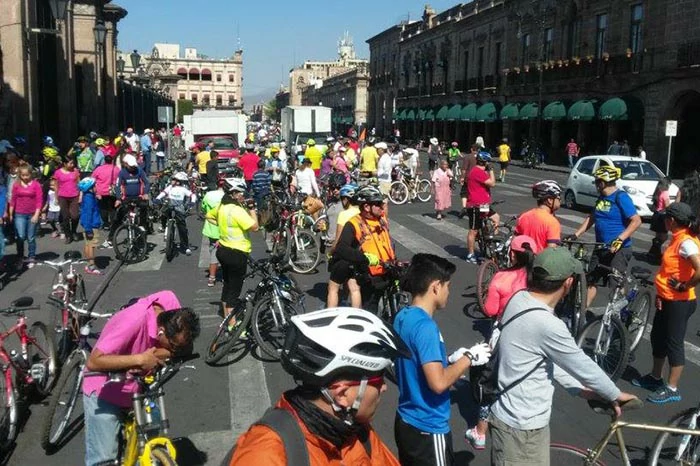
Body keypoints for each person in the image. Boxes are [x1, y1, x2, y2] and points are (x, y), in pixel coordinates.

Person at [489, 247, 638, 465]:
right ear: (568, 283)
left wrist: (581, 391)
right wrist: (614, 393)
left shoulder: (519, 299)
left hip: (517, 421)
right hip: (521, 427)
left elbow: (545, 361)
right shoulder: (548, 325)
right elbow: (581, 364)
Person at [227, 307, 408, 465]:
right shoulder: (266, 455)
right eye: (378, 380)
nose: (384, 387)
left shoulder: (354, 431)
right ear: (342, 393)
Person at [394, 253, 491, 466]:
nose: (449, 291)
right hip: (428, 427)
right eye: (448, 286)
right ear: (436, 287)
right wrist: (468, 358)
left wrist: (448, 359)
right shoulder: (426, 327)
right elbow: (438, 383)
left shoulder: (403, 316)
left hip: (405, 420)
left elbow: (417, 363)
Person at [82, 291, 200, 466]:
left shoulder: (172, 309)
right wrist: (140, 359)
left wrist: (168, 352)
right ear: (161, 332)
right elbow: (94, 361)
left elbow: (184, 348)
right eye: (173, 347)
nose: (174, 352)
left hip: (141, 386)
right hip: (105, 387)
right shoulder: (134, 319)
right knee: (103, 458)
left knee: (153, 440)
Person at [466, 236, 537, 449]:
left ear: (512, 254)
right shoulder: (538, 279)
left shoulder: (501, 277)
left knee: (490, 380)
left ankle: (480, 431)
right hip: (534, 335)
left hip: (505, 333)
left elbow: (489, 310)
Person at [633, 202, 700, 404]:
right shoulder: (677, 239)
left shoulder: (686, 242)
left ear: (672, 221)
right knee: (658, 337)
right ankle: (655, 378)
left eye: (665, 218)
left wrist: (683, 286)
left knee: (674, 344)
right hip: (668, 299)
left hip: (680, 302)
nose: (663, 221)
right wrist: (661, 295)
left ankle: (672, 389)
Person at [566, 165, 642, 305]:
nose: (595, 184)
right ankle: (581, 314)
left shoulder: (621, 197)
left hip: (619, 249)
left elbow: (636, 221)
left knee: (616, 285)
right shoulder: (601, 198)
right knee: (591, 281)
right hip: (601, 247)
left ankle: (616, 318)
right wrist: (576, 235)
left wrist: (620, 239)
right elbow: (592, 218)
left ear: (602, 182)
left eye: (596, 181)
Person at [333, 186, 395, 308]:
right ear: (367, 207)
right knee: (370, 311)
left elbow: (387, 243)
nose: (382, 207)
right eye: (378, 204)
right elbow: (341, 248)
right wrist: (364, 257)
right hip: (370, 277)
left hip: (388, 271)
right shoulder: (354, 223)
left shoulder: (381, 220)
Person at [206, 178, 259, 318]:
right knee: (234, 290)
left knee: (227, 285)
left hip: (223, 250)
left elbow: (208, 216)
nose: (243, 195)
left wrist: (222, 225)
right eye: (241, 192)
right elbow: (255, 227)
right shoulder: (236, 210)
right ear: (234, 193)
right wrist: (252, 209)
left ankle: (225, 315)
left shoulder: (222, 206)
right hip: (237, 253)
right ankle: (231, 324)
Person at [327, 183, 361, 307]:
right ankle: (357, 315)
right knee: (354, 287)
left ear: (346, 199)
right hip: (357, 254)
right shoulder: (360, 213)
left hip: (343, 256)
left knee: (333, 288)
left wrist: (331, 252)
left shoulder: (344, 215)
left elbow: (338, 240)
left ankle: (331, 315)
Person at [108, 154, 150, 246]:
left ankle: (143, 228)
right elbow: (118, 186)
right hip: (126, 198)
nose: (132, 168)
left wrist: (146, 193)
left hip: (138, 197)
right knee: (118, 216)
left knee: (144, 209)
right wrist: (118, 198)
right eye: (130, 166)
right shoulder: (122, 173)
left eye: (133, 166)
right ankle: (111, 238)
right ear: (125, 164)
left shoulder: (139, 170)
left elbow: (147, 182)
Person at [464, 151, 498, 264]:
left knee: (495, 217)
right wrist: (491, 170)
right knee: (473, 230)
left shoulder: (480, 171)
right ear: (485, 162)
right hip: (475, 205)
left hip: (483, 204)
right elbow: (492, 183)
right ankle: (470, 254)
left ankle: (491, 241)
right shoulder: (477, 172)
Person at [9, 165, 42, 269]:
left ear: (31, 174)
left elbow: (39, 201)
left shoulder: (36, 185)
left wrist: (37, 214)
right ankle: (20, 257)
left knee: (31, 237)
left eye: (27, 175)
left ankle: (32, 256)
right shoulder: (16, 185)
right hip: (19, 213)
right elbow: (13, 200)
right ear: (20, 175)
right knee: (20, 236)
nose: (25, 177)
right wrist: (10, 214)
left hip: (32, 213)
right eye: (23, 175)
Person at [515, 180, 563, 251]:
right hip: (540, 261)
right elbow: (551, 254)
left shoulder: (524, 216)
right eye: (558, 197)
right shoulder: (553, 223)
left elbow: (516, 243)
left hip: (523, 261)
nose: (560, 201)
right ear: (550, 200)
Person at [155, 171, 196, 255]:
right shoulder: (170, 187)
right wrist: (158, 198)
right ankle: (163, 226)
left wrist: (192, 202)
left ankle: (185, 246)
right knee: (163, 213)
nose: (172, 181)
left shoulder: (183, 189)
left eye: (174, 179)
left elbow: (193, 195)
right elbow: (163, 193)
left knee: (182, 227)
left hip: (179, 208)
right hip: (169, 206)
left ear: (178, 181)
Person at [201, 179, 225, 287]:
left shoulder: (209, 195)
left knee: (213, 253)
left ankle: (211, 278)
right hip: (224, 229)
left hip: (211, 228)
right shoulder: (227, 197)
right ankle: (226, 275)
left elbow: (203, 208)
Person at [78, 177, 104, 275]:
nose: (96, 187)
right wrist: (89, 229)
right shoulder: (89, 199)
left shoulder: (88, 196)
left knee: (87, 244)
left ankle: (89, 263)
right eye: (94, 186)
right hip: (92, 225)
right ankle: (91, 265)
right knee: (92, 245)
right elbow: (88, 214)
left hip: (88, 224)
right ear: (90, 188)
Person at [54, 155, 81, 244]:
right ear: (65, 164)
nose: (72, 165)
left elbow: (79, 183)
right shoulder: (58, 173)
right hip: (63, 196)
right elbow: (56, 186)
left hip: (74, 196)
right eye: (70, 163)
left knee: (75, 216)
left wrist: (80, 195)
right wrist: (56, 198)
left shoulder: (75, 171)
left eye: (73, 163)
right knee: (65, 217)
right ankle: (68, 235)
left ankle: (74, 231)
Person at [648, 177, 673, 264]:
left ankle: (653, 252)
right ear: (667, 184)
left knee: (658, 236)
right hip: (662, 216)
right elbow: (667, 206)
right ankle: (656, 252)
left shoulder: (658, 191)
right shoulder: (665, 193)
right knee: (664, 236)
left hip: (656, 215)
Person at [91, 154, 119, 233]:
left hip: (101, 192)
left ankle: (106, 224)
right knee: (112, 208)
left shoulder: (98, 169)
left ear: (104, 161)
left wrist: (95, 191)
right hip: (112, 192)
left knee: (103, 208)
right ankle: (113, 224)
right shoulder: (116, 169)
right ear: (112, 161)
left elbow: (92, 179)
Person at [458, 144, 479, 218]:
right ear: (478, 150)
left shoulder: (467, 157)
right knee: (478, 194)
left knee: (464, 193)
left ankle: (464, 207)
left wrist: (462, 178)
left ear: (471, 149)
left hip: (468, 178)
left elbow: (464, 169)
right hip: (479, 179)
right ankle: (481, 211)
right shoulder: (481, 157)